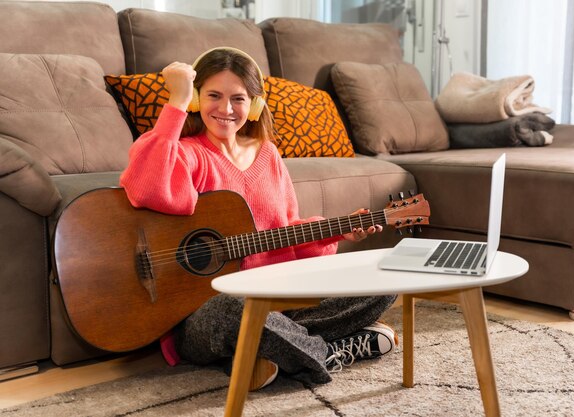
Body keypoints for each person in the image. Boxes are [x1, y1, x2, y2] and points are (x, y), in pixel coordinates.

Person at [119, 47, 398, 390]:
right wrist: (175, 101)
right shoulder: (187, 154)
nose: (225, 109)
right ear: (195, 99)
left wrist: (335, 233)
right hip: (204, 315)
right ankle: (327, 352)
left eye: (237, 98)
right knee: (235, 311)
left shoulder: (267, 153)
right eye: (213, 96)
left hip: (276, 301)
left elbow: (283, 231)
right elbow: (146, 188)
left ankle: (269, 352)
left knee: (383, 283)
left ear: (254, 105)